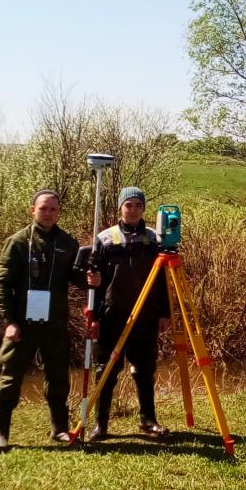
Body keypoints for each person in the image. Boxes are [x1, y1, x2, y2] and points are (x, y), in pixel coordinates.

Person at [0, 189, 88, 453]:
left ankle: (59, 429)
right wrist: (10, 321)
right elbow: (2, 283)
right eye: (43, 208)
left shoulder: (68, 243)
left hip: (54, 324)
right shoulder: (18, 242)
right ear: (32, 210)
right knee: (11, 376)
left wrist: (90, 280)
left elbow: (76, 278)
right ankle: (1, 434)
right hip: (22, 324)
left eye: (53, 209)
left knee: (58, 377)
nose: (48, 214)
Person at [84, 186, 170, 441]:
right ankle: (101, 424)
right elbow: (94, 281)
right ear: (120, 208)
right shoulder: (105, 238)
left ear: (144, 209)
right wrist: (94, 315)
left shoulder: (156, 238)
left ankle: (148, 419)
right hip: (113, 315)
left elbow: (164, 280)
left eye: (138, 206)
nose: (133, 210)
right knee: (106, 370)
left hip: (146, 316)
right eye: (128, 205)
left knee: (145, 368)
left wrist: (164, 313)